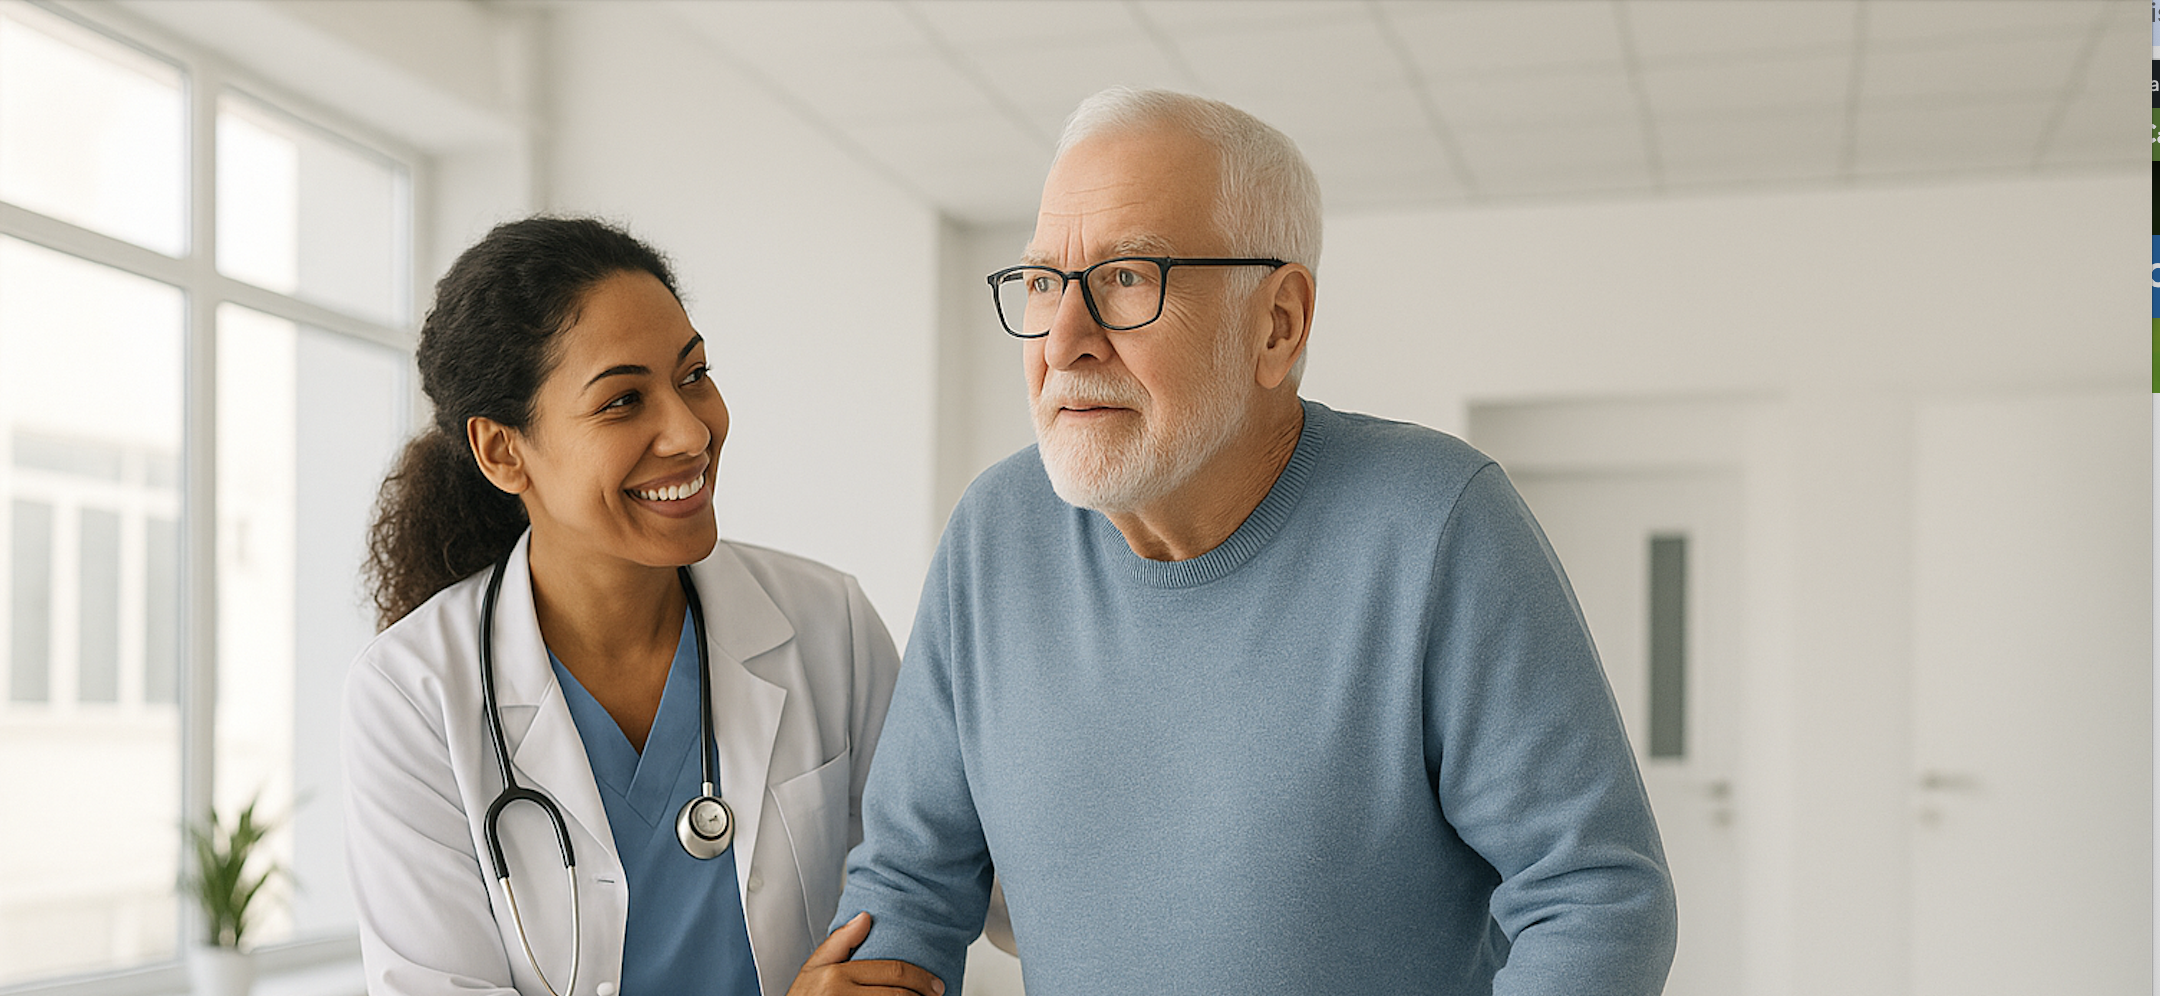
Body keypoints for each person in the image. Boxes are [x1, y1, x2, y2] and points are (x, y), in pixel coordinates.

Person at [818, 88, 1679, 994]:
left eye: (1126, 280)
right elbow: (910, 886)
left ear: (1279, 324)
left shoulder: (1436, 524)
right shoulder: (991, 538)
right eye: (1042, 283)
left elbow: (1595, 898)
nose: (1063, 340)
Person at [344, 217, 942, 996]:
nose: (691, 430)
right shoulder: (412, 694)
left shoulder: (829, 625)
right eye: (624, 401)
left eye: (693, 374)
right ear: (502, 450)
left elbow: (920, 892)